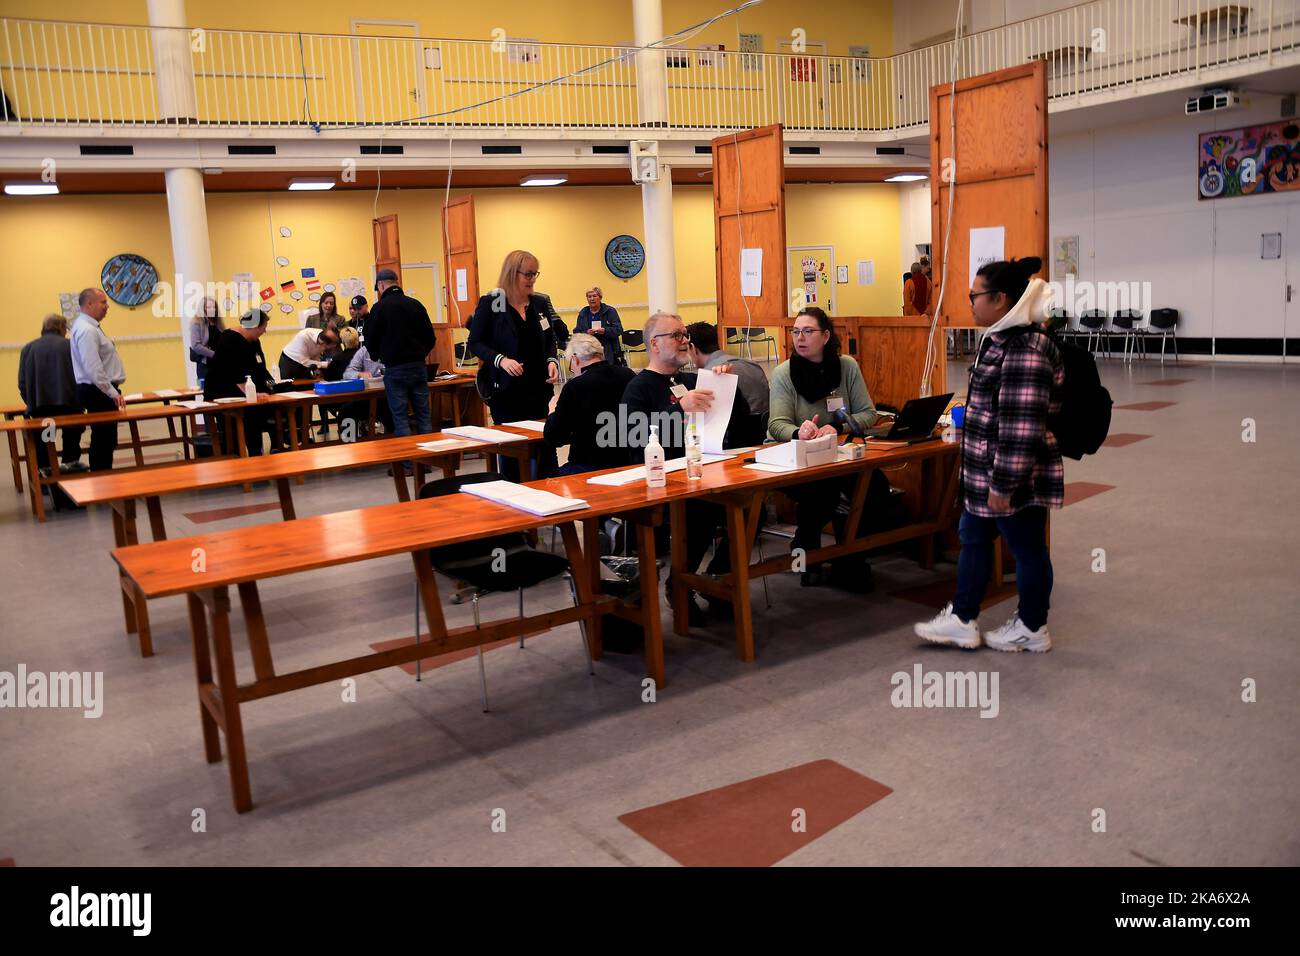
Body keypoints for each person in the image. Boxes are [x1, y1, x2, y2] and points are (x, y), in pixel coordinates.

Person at [915, 257, 1062, 653]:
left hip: (1010, 477)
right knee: (974, 539)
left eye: (974, 296)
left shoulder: (1025, 349)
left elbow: (1021, 426)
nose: (970, 303)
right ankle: (964, 619)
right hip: (985, 473)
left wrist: (1004, 485)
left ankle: (1032, 627)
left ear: (999, 299)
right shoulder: (997, 338)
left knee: (1027, 547)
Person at [622, 311, 747, 624]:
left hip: (706, 471)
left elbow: (739, 420)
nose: (685, 341)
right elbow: (631, 434)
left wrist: (726, 384)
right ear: (654, 343)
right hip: (665, 480)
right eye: (676, 335)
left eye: (685, 335)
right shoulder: (638, 387)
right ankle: (681, 584)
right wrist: (679, 409)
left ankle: (717, 579)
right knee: (701, 511)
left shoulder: (693, 379)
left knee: (749, 506)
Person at [768, 306, 879, 590]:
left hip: (837, 455)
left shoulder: (846, 367)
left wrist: (839, 427)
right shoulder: (784, 373)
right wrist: (799, 431)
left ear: (826, 335)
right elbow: (776, 425)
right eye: (796, 332)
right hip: (794, 457)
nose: (800, 338)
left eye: (808, 331)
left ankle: (849, 558)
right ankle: (806, 558)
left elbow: (868, 414)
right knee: (821, 495)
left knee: (874, 485)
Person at [467, 250, 559, 479]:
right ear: (511, 273)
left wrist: (552, 360)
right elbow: (475, 342)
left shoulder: (539, 303)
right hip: (507, 392)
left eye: (535, 274)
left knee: (544, 446)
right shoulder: (494, 302)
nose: (532, 280)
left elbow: (550, 339)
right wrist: (500, 360)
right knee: (512, 450)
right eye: (527, 274)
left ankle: (548, 493)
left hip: (539, 388)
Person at [543, 332, 635, 475]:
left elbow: (555, 437)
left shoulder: (575, 386)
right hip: (628, 460)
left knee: (545, 477)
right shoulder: (628, 375)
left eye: (571, 365)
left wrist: (552, 411)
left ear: (575, 359)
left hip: (588, 465)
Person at [366, 267, 436, 446]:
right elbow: (430, 337)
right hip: (418, 367)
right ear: (397, 282)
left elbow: (370, 339)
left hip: (394, 369)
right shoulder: (415, 304)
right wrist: (421, 354)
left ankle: (407, 467)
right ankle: (428, 462)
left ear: (381, 286)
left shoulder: (379, 308)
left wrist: (376, 356)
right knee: (423, 415)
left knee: (400, 417)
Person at [204, 308, 277, 456]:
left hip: (246, 389)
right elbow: (233, 373)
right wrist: (253, 394)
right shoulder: (229, 339)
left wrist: (272, 385)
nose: (264, 331)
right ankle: (252, 453)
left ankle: (275, 445)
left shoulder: (254, 341)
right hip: (224, 390)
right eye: (263, 328)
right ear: (255, 326)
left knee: (271, 405)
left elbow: (260, 366)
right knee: (251, 412)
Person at [18, 315, 86, 474]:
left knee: (46, 440)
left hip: (42, 409)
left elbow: (22, 382)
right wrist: (80, 402)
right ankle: (71, 469)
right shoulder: (70, 346)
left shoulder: (28, 348)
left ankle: (46, 473)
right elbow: (82, 376)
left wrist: (31, 402)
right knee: (71, 439)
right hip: (69, 407)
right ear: (62, 328)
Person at [686, 321, 769, 445]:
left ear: (692, 348)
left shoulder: (710, 377)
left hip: (734, 443)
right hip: (765, 436)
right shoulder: (754, 365)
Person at [70, 287, 125, 472]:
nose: (107, 306)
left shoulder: (90, 327)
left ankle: (103, 475)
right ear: (89, 304)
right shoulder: (87, 330)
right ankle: (102, 478)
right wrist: (111, 392)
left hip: (98, 390)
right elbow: (93, 368)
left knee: (106, 438)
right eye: (103, 302)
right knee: (103, 438)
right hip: (98, 391)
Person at [340, 339, 392, 437]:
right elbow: (347, 373)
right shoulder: (364, 351)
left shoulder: (393, 348)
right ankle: (349, 442)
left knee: (394, 412)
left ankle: (396, 442)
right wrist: (359, 374)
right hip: (368, 398)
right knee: (346, 411)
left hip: (390, 397)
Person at [575, 286, 626, 366]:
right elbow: (577, 332)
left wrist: (605, 331)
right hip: (588, 350)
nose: (592, 299)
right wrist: (587, 333)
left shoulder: (610, 311)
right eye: (589, 296)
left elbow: (618, 330)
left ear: (600, 297)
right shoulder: (583, 313)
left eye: (594, 296)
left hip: (608, 350)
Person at [188, 296, 225, 385]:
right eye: (208, 307)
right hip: (206, 364)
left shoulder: (218, 322)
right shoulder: (197, 322)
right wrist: (214, 355)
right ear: (203, 308)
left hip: (220, 363)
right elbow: (196, 345)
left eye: (214, 307)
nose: (212, 309)